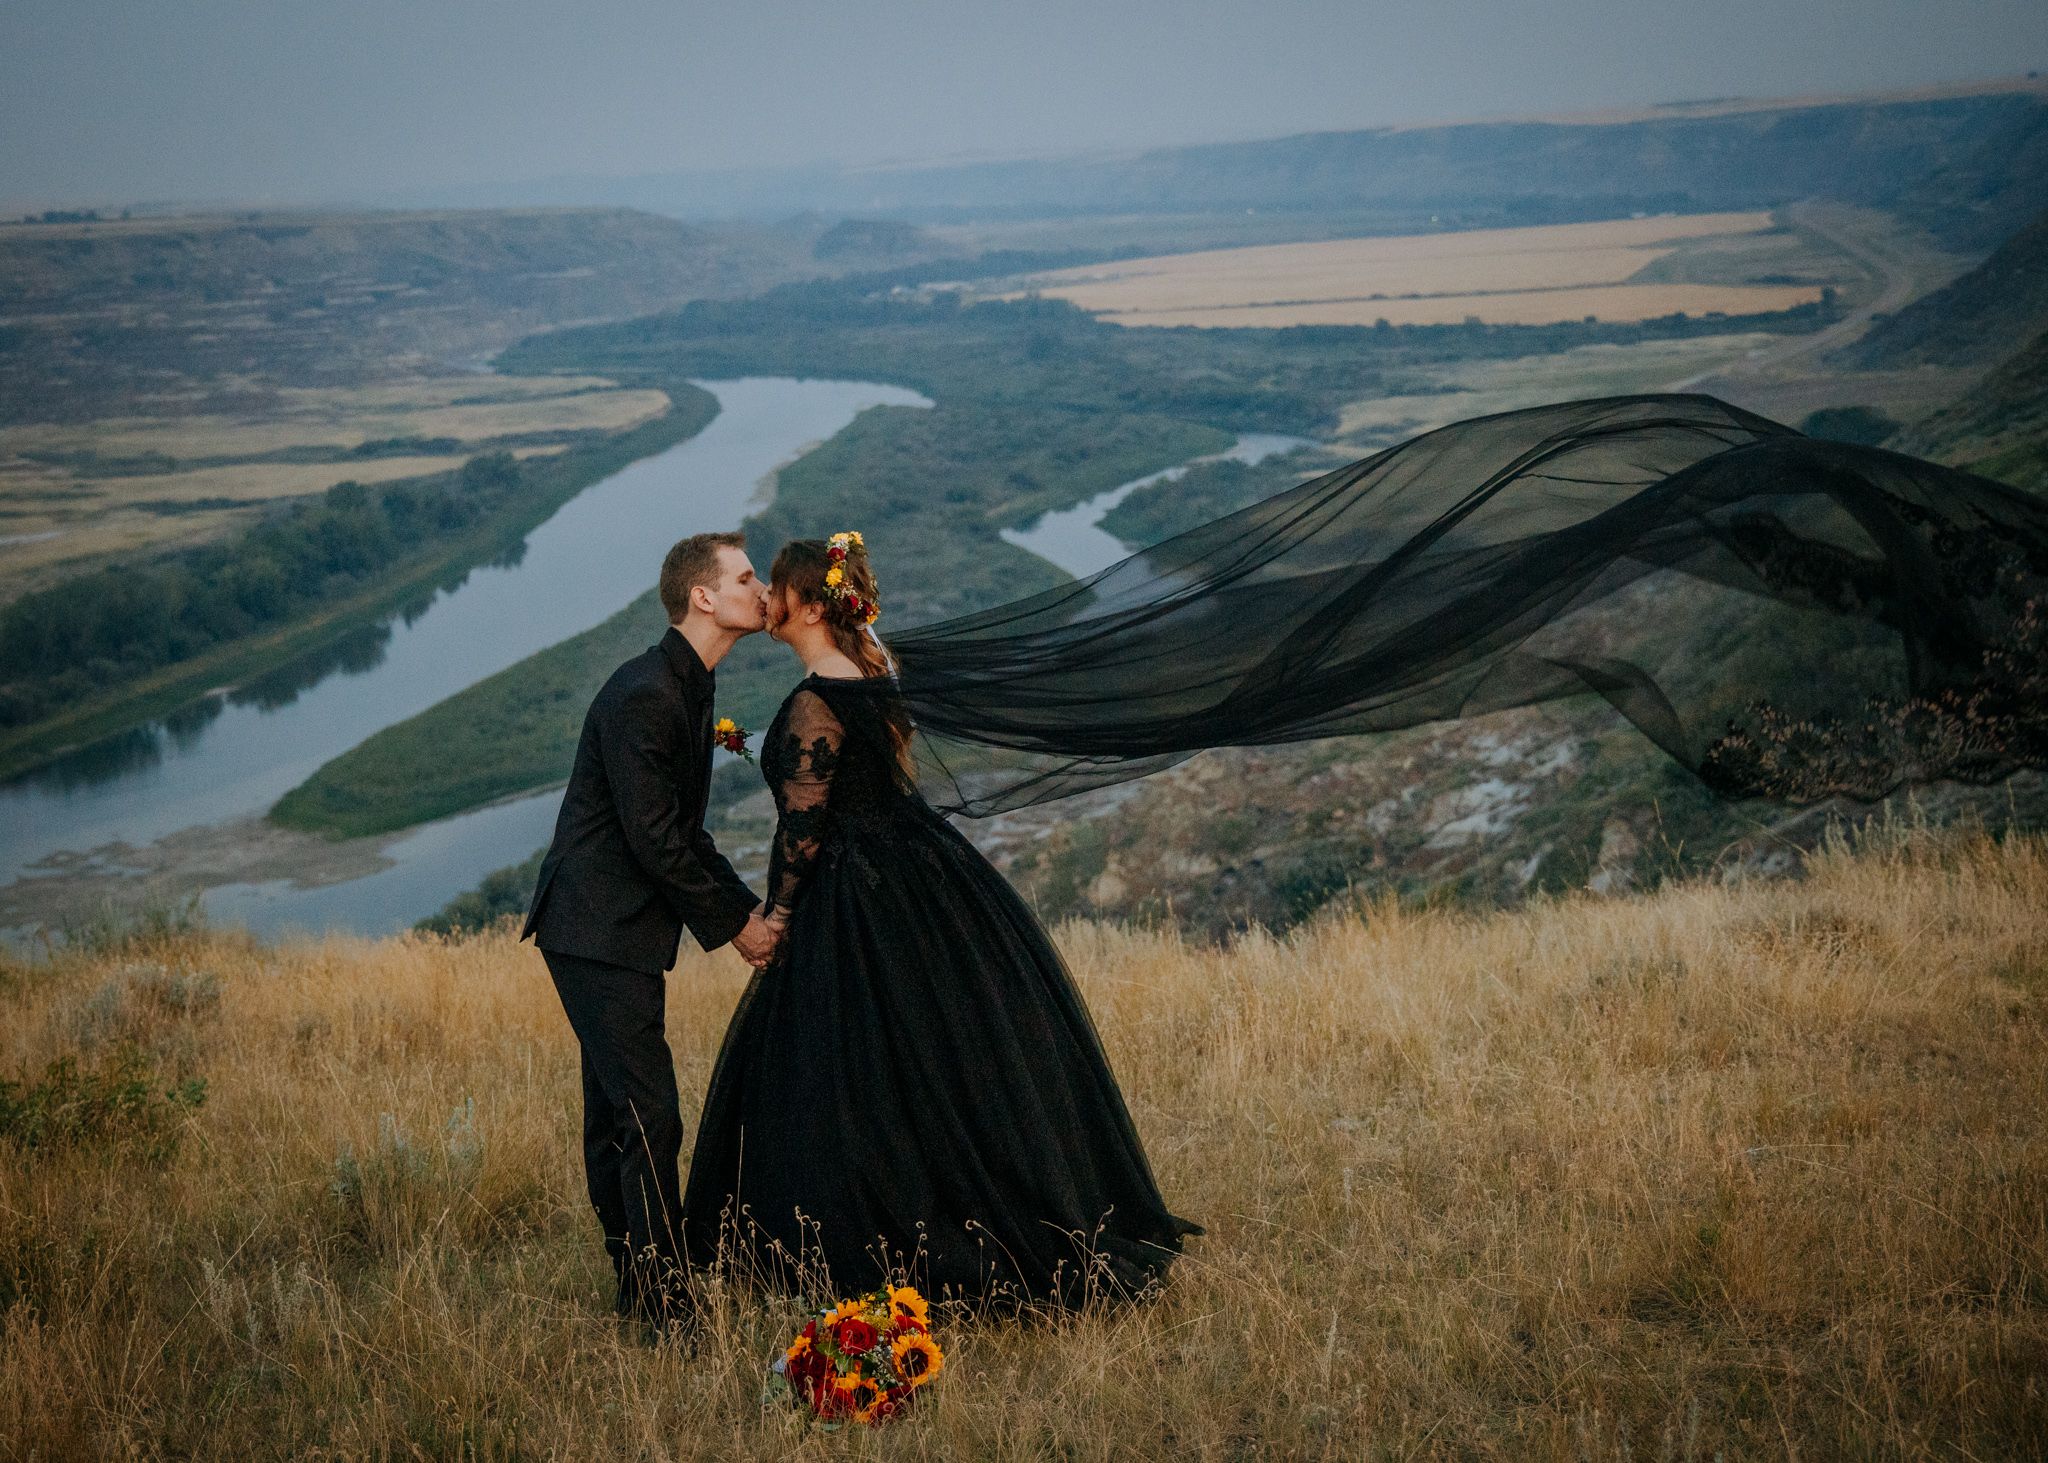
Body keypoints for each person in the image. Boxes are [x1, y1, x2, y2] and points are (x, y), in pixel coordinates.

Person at [681, 534, 1200, 1308]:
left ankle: (883, 1230)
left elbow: (803, 829)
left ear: (811, 606)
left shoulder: (814, 701)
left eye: (775, 587)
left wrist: (778, 912)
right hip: (921, 868)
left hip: (855, 891)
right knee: (937, 1055)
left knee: (845, 1067)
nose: (765, 599)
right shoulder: (872, 669)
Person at [522, 530, 780, 1329]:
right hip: (593, 927)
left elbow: (686, 832)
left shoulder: (689, 687)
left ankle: (640, 1290)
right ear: (702, 597)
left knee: (616, 1114)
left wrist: (753, 912)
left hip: (614, 929)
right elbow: (653, 837)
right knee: (647, 1114)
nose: (760, 590)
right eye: (744, 578)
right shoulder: (647, 692)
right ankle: (668, 1305)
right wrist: (740, 924)